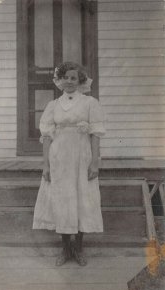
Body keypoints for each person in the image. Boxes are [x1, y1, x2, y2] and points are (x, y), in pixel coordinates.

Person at [33, 62, 106, 266]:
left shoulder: (90, 103)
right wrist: (46, 164)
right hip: (60, 159)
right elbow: (47, 137)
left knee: (83, 199)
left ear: (80, 80)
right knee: (63, 201)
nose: (70, 81)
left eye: (74, 78)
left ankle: (79, 248)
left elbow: (96, 135)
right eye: (66, 77)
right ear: (60, 80)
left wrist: (95, 163)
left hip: (82, 157)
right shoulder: (53, 106)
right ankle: (65, 249)